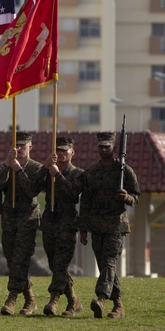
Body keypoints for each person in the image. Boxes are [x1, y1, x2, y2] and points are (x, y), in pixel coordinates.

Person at [79, 131, 140, 319]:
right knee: (106, 267)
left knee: (108, 263)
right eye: (100, 146)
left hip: (115, 225)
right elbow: (85, 203)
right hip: (97, 226)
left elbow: (136, 197)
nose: (103, 149)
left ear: (114, 147)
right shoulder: (91, 173)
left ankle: (101, 298)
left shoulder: (124, 171)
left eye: (107, 146)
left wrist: (127, 197)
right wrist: (83, 229)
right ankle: (119, 305)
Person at [33, 136, 86, 316]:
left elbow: (73, 194)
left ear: (72, 152)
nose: (62, 154)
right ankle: (73, 300)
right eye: (59, 151)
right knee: (55, 264)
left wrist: (58, 175)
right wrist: (45, 167)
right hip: (50, 222)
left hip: (67, 222)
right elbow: (33, 188)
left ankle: (54, 299)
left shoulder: (78, 173)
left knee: (61, 263)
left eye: (65, 150)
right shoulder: (49, 170)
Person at [0, 132, 43, 316]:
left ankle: (12, 298)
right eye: (17, 145)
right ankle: (30, 299)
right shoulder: (5, 166)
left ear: (30, 147)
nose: (20, 149)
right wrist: (8, 165)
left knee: (21, 259)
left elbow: (32, 190)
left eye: (24, 145)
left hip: (28, 219)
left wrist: (19, 171)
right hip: (9, 219)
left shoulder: (36, 168)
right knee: (12, 259)